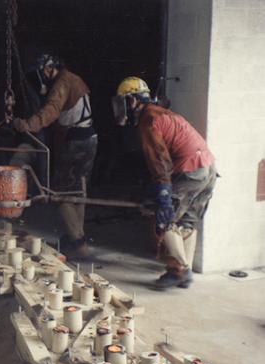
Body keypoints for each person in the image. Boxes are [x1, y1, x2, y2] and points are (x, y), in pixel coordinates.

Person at [111, 76, 217, 290]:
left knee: (165, 220)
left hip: (191, 171)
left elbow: (159, 160)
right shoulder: (162, 112)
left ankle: (179, 271)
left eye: (123, 101)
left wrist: (163, 195)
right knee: (187, 221)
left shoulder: (148, 120)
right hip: (208, 168)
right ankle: (181, 271)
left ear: (131, 101)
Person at [12, 54, 98, 259]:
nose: (42, 76)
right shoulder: (74, 79)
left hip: (76, 141)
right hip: (89, 137)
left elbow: (51, 110)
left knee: (60, 194)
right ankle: (77, 237)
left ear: (49, 68)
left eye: (42, 71)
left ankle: (78, 244)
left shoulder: (62, 83)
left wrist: (28, 125)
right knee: (78, 191)